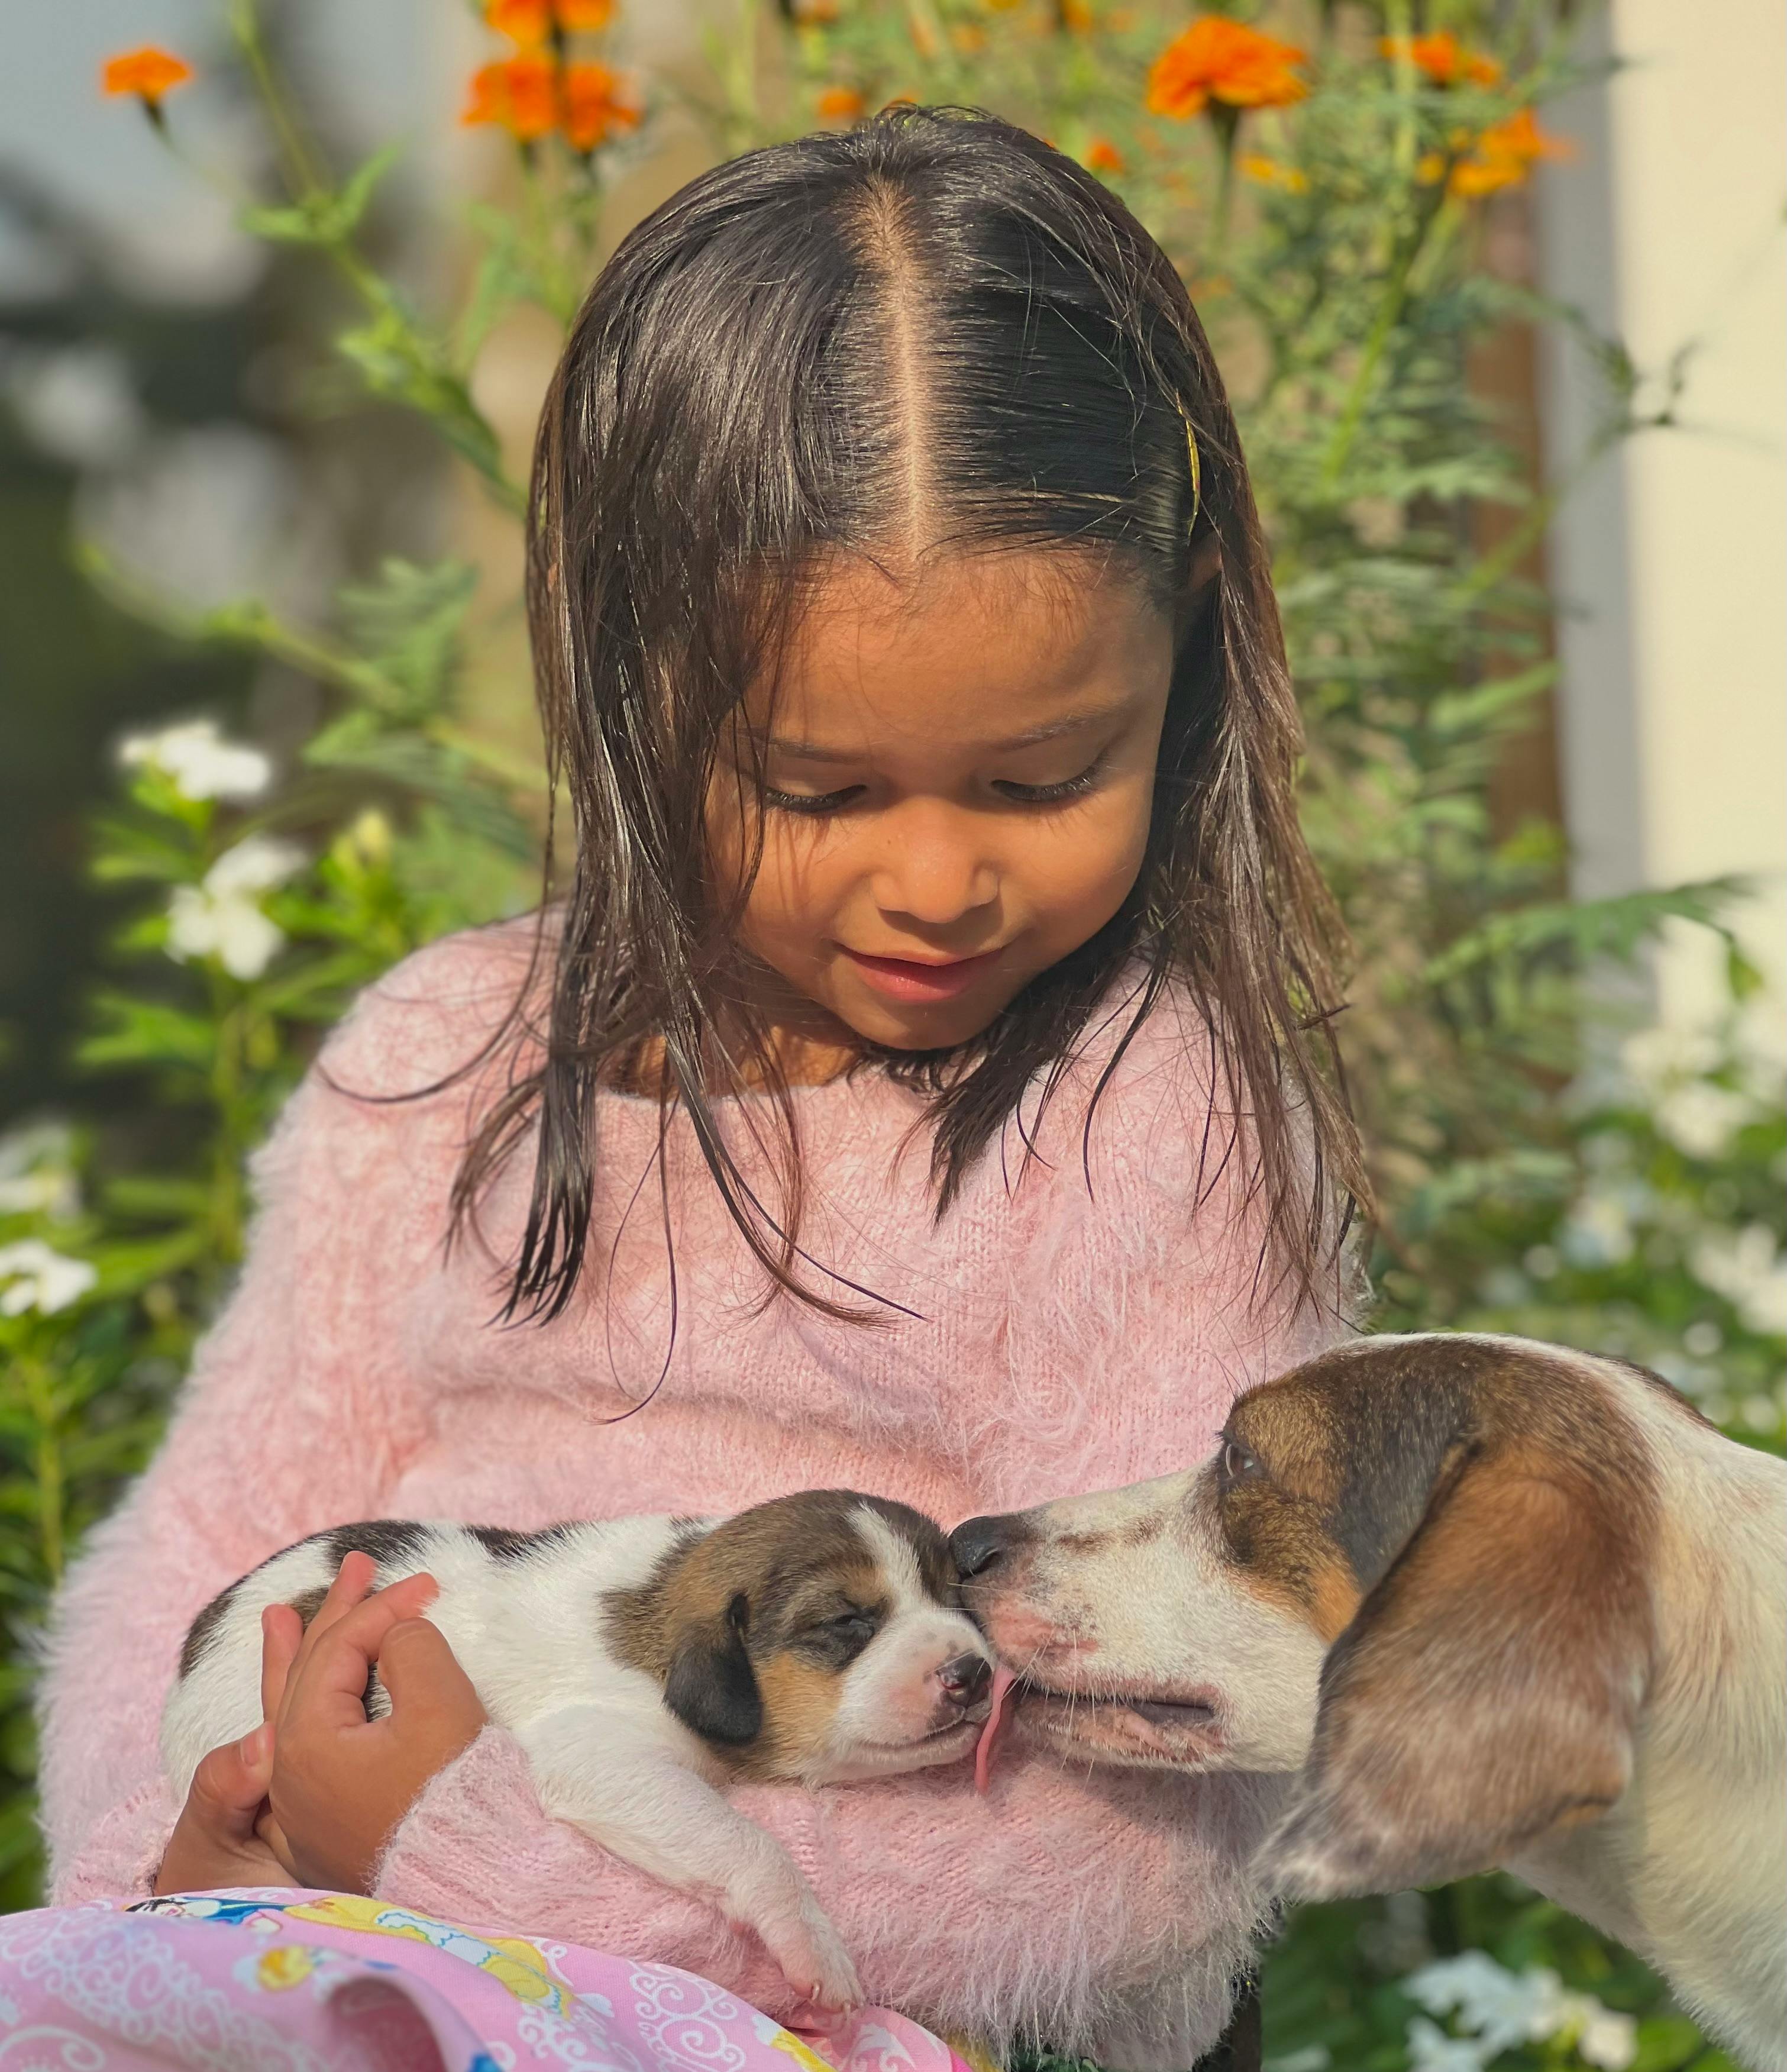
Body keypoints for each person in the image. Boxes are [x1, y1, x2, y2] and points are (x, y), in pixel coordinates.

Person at [35, 107, 1363, 2070]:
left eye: (1043, 778)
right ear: (630, 678)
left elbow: (1153, 1821)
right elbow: (201, 1532)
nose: (934, 880)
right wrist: (171, 1856)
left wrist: (457, 1863)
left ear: (1189, 668)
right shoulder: (444, 1060)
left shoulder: (1150, 1124)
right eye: (817, 789)